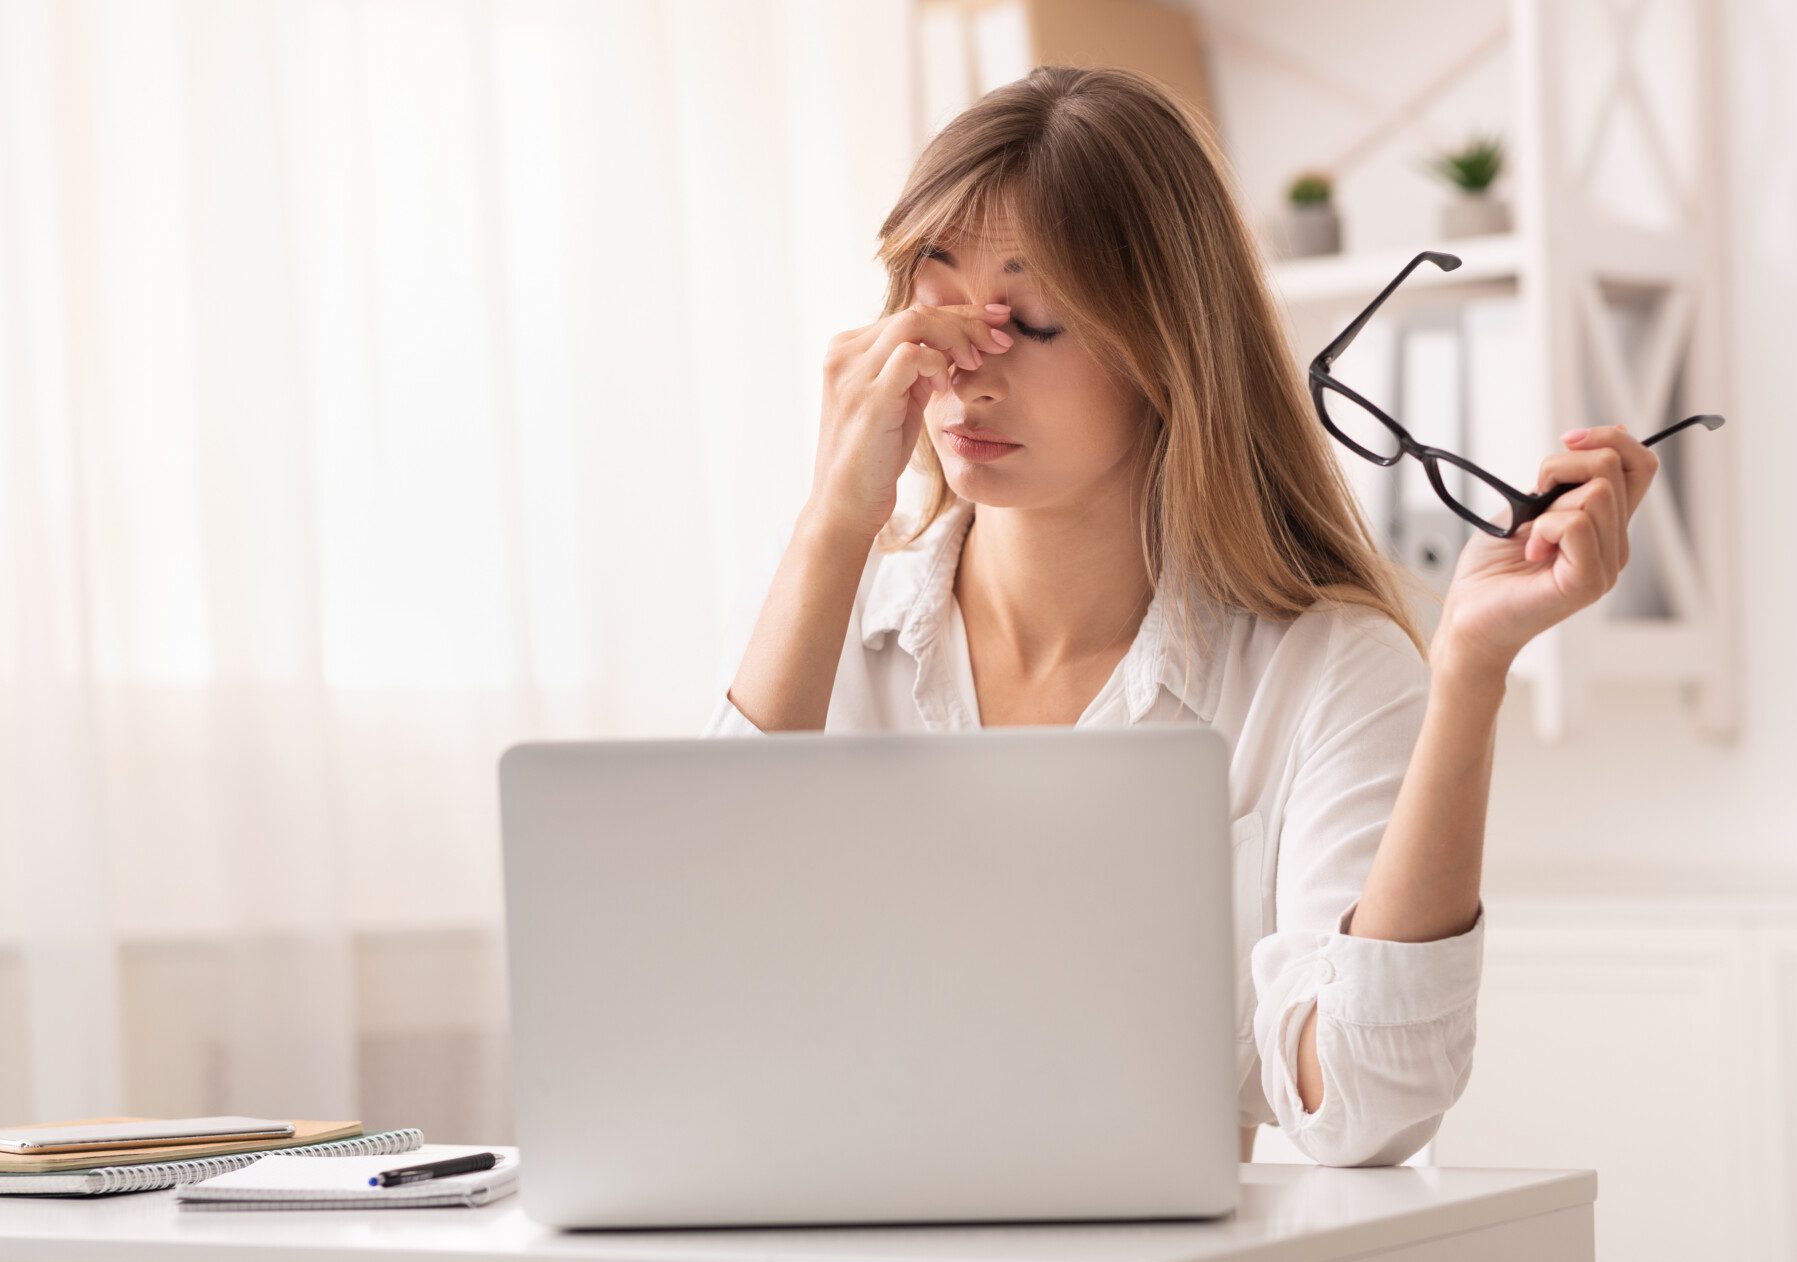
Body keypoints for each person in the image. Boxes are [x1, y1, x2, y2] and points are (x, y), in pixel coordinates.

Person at [705, 65, 1660, 1168]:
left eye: (1032, 319)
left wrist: (1470, 670)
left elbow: (1365, 1105)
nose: (964, 367)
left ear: (1167, 345)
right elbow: (709, 980)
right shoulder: (830, 625)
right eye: (937, 305)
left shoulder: (1322, 672)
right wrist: (830, 525)